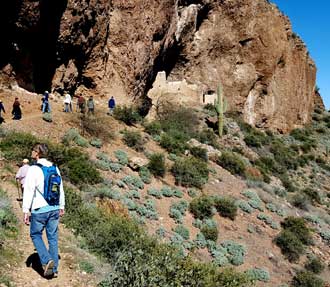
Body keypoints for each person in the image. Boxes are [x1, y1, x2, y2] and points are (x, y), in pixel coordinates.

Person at [22, 143, 65, 278]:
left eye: (33, 150)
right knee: (52, 238)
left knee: (35, 234)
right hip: (54, 208)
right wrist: (61, 206)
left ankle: (46, 261)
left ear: (38, 153)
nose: (32, 152)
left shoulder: (34, 169)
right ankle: (55, 269)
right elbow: (60, 189)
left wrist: (25, 210)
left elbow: (29, 190)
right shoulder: (54, 168)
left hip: (39, 209)